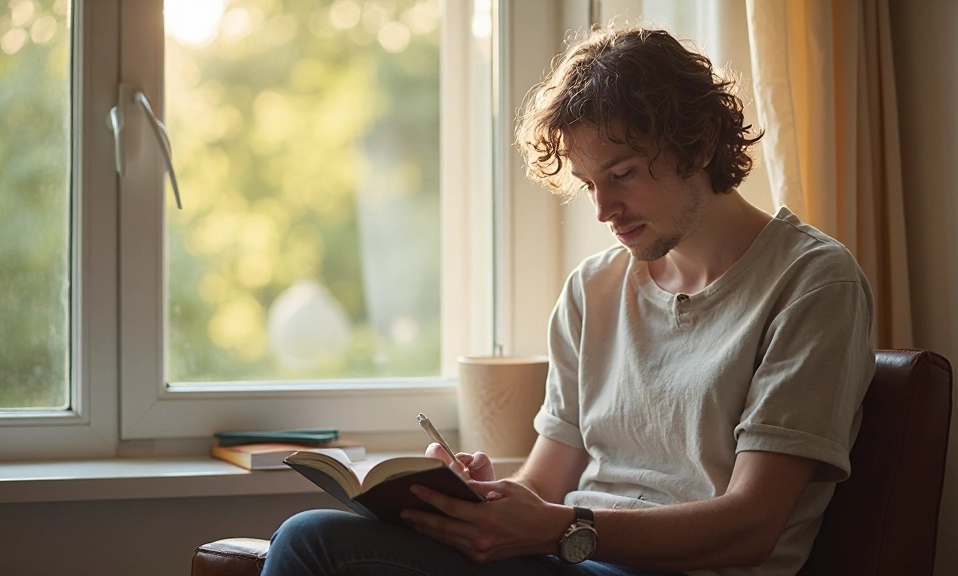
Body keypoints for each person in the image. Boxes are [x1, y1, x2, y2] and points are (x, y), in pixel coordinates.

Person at [260, 24, 874, 576]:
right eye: (588, 185)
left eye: (623, 173)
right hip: (578, 557)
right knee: (318, 536)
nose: (604, 210)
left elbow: (751, 526)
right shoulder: (594, 289)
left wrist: (558, 528)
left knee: (315, 546)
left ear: (699, 144)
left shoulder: (813, 283)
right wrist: (487, 502)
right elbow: (545, 482)